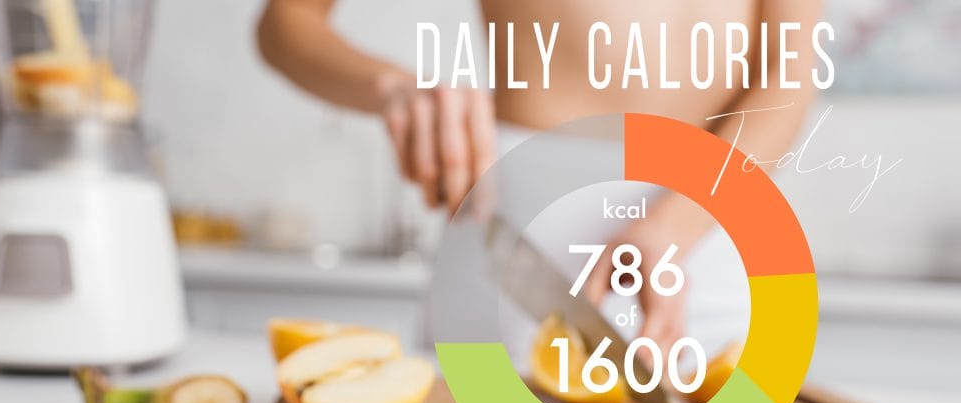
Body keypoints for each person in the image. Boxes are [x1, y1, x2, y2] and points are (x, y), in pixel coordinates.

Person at [256, 0, 822, 361]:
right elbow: (287, 21)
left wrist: (676, 224)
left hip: (702, 242)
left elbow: (788, 75)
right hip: (512, 243)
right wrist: (392, 87)